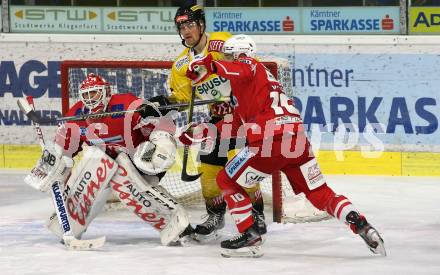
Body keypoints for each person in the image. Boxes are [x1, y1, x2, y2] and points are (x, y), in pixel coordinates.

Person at [186, 34, 386, 258]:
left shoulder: (249, 65)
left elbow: (239, 69)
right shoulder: (256, 85)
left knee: (225, 179)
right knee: (319, 193)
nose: (227, 59)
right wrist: (200, 132)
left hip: (270, 141)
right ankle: (361, 224)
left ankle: (249, 234)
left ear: (239, 55)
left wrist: (209, 65)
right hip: (296, 142)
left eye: (229, 56)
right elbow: (236, 126)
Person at [24, 73, 193, 246]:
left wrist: (160, 137)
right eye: (86, 95)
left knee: (121, 173)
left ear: (105, 92)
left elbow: (160, 126)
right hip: (110, 166)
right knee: (97, 159)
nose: (90, 99)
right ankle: (70, 224)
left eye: (94, 93)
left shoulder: (126, 104)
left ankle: (175, 222)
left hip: (142, 162)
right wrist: (53, 163)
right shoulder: (76, 115)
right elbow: (64, 151)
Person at [160, 3, 266, 241]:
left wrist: (218, 62)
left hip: (243, 117)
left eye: (189, 24)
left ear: (201, 24)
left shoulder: (219, 42)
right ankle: (215, 216)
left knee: (244, 171)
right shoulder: (180, 65)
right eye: (181, 27)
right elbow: (183, 98)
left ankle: (257, 214)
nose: (186, 31)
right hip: (217, 121)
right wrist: (165, 101)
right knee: (209, 176)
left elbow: (247, 66)